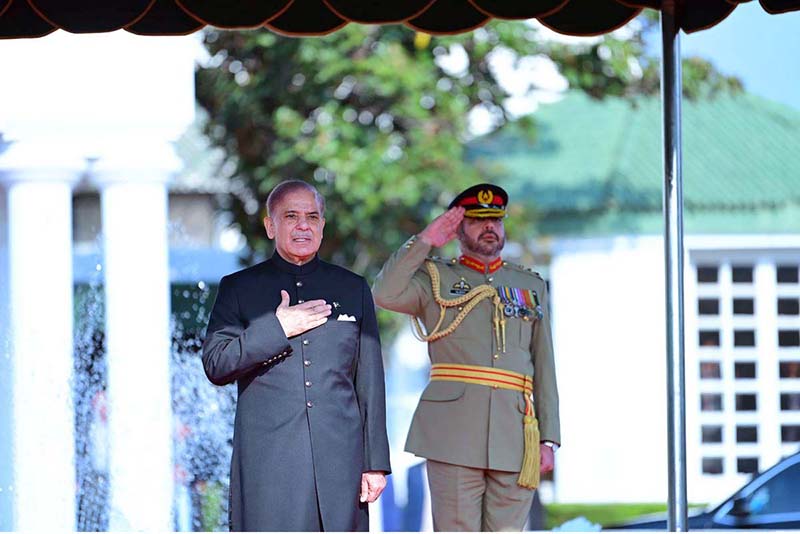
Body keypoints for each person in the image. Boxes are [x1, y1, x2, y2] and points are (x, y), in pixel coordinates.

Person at [202, 179, 391, 531]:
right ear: (271, 226)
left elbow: (369, 380)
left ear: (322, 225)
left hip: (341, 460)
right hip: (270, 462)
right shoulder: (240, 288)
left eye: (312, 217)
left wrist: (375, 462)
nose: (303, 225)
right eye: (291, 216)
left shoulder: (352, 287)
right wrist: (277, 328)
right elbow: (217, 364)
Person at [373, 183, 560, 532]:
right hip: (452, 434)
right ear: (458, 229)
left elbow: (544, 365)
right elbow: (385, 293)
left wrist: (548, 438)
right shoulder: (435, 278)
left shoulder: (530, 286)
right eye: (477, 220)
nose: (489, 228)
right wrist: (425, 240)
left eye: (496, 221)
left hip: (515, 433)